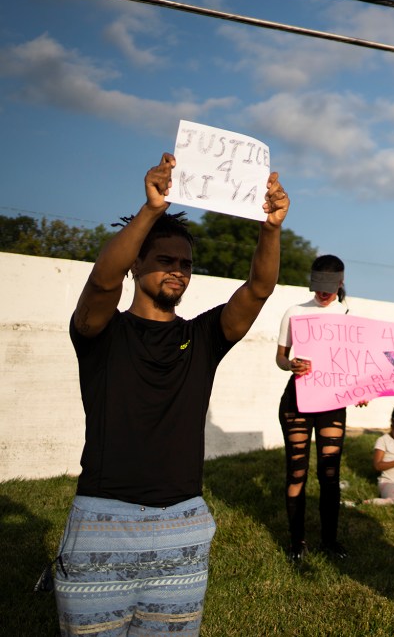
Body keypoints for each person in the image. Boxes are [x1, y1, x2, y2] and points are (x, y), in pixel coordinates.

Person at [56, 153, 288, 635]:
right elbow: (102, 281)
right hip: (104, 518)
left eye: (185, 264)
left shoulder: (204, 337)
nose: (178, 271)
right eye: (165, 260)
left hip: (184, 521)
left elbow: (259, 288)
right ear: (137, 263)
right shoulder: (100, 331)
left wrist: (270, 228)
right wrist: (151, 212)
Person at [275, 254, 353, 562]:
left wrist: (361, 389)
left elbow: (355, 364)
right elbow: (281, 356)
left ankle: (330, 542)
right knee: (297, 472)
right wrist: (290, 365)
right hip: (297, 400)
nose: (323, 292)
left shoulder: (348, 316)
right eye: (318, 285)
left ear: (340, 283)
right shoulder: (294, 312)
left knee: (330, 473)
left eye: (329, 286)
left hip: (332, 402)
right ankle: (297, 543)